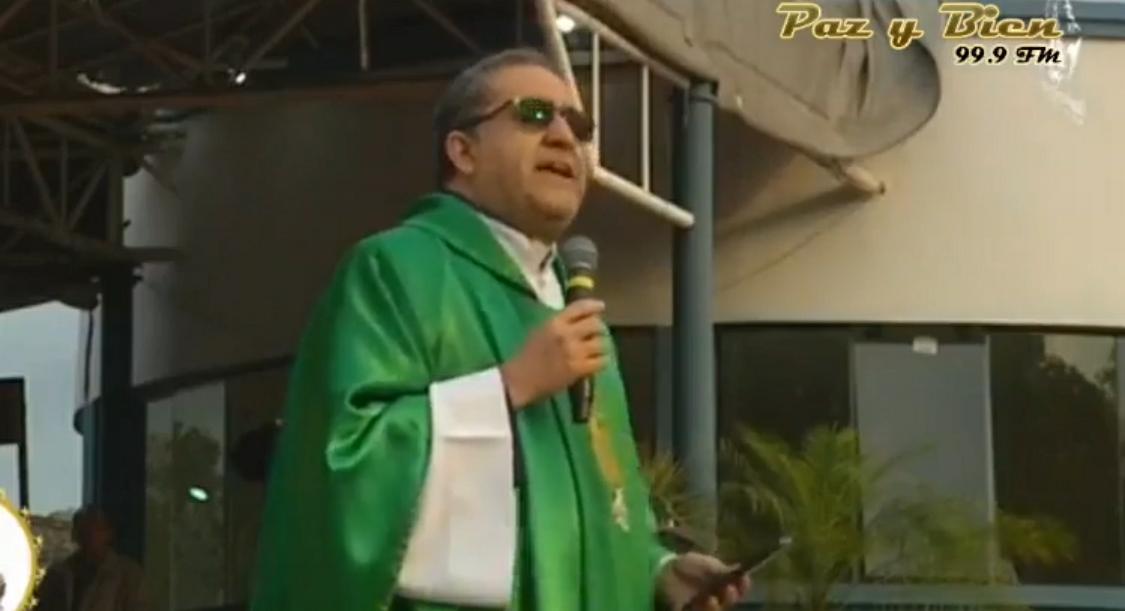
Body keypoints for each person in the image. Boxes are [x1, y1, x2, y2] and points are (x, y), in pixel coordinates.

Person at [249, 48, 750, 611]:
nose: (566, 137)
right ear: (462, 151)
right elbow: (342, 469)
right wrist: (507, 389)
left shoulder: (577, 317)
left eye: (578, 125)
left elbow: (596, 504)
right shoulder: (397, 270)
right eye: (535, 115)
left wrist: (656, 569)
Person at [37, 507, 148, 611]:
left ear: (110, 533)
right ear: (75, 534)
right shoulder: (57, 574)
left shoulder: (129, 576)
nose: (89, 535)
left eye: (96, 529)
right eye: (83, 529)